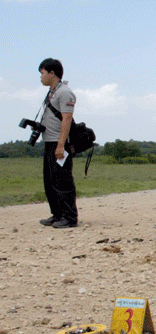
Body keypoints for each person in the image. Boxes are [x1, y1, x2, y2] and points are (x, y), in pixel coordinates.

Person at [36, 58, 78, 228]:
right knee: (50, 182)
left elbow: (67, 119)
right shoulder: (52, 92)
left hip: (59, 144)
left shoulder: (64, 92)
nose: (40, 77)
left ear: (52, 73)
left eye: (42, 73)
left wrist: (61, 145)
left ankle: (70, 218)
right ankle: (57, 214)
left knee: (63, 181)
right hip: (49, 142)